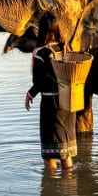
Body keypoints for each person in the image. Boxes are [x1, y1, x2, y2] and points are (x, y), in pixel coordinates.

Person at [24, 14, 76, 171]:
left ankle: (51, 188)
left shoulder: (40, 53)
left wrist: (30, 94)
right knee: (65, 153)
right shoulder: (66, 48)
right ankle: (69, 189)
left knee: (49, 155)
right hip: (68, 104)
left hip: (50, 106)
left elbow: (38, 82)